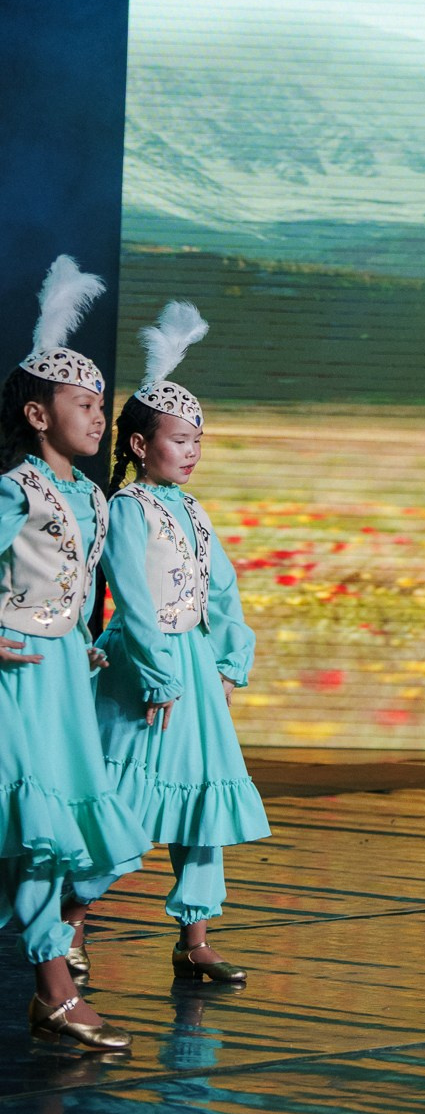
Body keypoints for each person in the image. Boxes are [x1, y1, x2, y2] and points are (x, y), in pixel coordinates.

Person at [93, 302, 269, 986]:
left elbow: (222, 588)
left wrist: (228, 659)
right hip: (146, 663)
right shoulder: (128, 508)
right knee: (125, 793)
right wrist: (158, 674)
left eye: (198, 440)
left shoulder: (192, 509)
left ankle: (195, 936)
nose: (191, 451)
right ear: (141, 446)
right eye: (178, 440)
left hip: (193, 661)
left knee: (201, 793)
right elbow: (133, 598)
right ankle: (69, 923)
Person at [0, 256, 144, 1051]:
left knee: (79, 832)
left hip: (63, 673)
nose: (98, 417)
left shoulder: (92, 495)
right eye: (82, 404)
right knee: (40, 830)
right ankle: (55, 990)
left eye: (100, 406)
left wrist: (86, 643)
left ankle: (53, 966)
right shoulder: (15, 488)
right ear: (37, 413)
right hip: (15, 673)